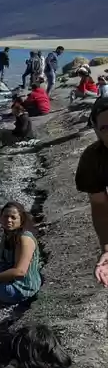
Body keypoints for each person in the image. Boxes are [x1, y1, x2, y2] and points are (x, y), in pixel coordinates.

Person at [77, 98, 108, 287]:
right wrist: (106, 247)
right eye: (106, 128)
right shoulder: (93, 160)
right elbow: (99, 205)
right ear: (96, 130)